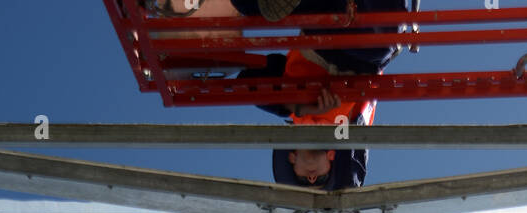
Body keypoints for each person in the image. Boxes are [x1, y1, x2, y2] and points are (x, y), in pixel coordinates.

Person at [142, 0, 413, 188]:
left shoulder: (287, 109)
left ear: (291, 158)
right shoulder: (345, 135)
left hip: (323, 33)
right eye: (319, 180)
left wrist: (300, 106)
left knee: (255, 9)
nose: (310, 178)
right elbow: (353, 172)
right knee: (380, 43)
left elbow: (250, 83)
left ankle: (184, 19)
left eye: (302, 180)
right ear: (332, 160)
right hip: (361, 50)